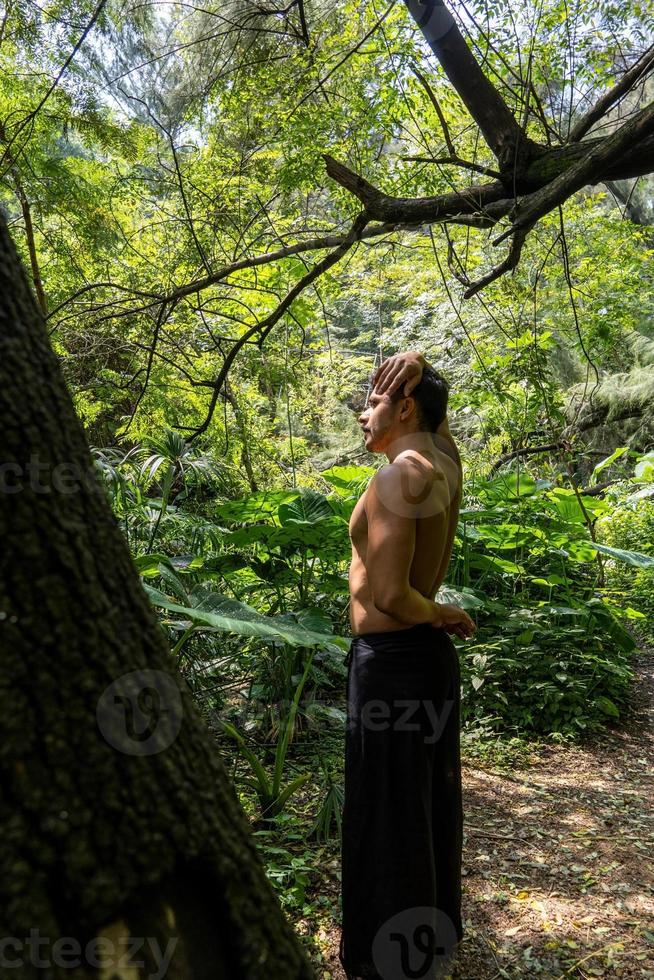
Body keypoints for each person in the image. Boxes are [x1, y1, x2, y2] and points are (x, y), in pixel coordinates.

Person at [339, 351, 477, 980]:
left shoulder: (397, 477)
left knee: (387, 809)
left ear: (405, 407)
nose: (362, 414)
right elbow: (439, 425)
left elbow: (392, 595)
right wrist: (418, 363)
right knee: (421, 804)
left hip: (393, 662)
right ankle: (423, 944)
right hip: (422, 667)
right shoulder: (440, 463)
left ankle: (383, 960)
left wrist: (438, 609)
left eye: (372, 402)